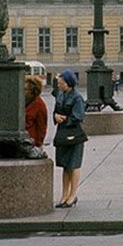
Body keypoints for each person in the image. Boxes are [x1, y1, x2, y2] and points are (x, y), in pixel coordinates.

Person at [53, 70, 87, 208]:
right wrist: (55, 116)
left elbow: (78, 116)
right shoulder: (60, 94)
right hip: (62, 133)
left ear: (69, 84)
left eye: (61, 83)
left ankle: (73, 195)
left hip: (75, 135)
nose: (59, 85)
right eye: (59, 83)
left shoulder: (77, 98)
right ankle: (64, 195)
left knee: (74, 165)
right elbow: (56, 109)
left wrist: (65, 119)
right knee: (65, 165)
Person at [24, 75, 48, 148]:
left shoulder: (39, 104)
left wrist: (38, 144)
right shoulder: (24, 101)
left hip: (31, 142)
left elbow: (42, 127)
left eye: (25, 89)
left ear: (32, 91)